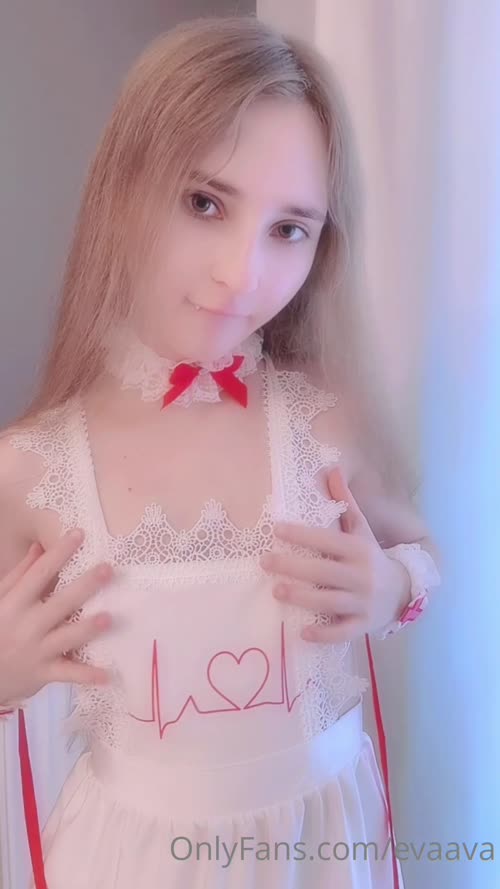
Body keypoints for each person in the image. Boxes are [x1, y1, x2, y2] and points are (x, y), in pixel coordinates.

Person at [0, 14, 441, 889]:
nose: (242, 274)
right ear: (122, 188)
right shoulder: (30, 467)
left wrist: (391, 586)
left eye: (290, 228)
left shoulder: (325, 423)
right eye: (205, 203)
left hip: (321, 848)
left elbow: (418, 549)